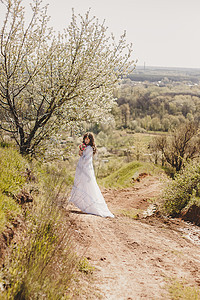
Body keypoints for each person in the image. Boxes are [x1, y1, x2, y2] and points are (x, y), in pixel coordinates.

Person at [69, 132, 114, 218]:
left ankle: (89, 205)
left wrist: (82, 161)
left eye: (87, 139)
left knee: (88, 185)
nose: (86, 140)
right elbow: (80, 155)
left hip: (86, 168)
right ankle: (84, 203)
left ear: (90, 140)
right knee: (83, 184)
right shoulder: (85, 147)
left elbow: (86, 159)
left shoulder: (89, 148)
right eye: (85, 139)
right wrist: (81, 150)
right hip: (83, 167)